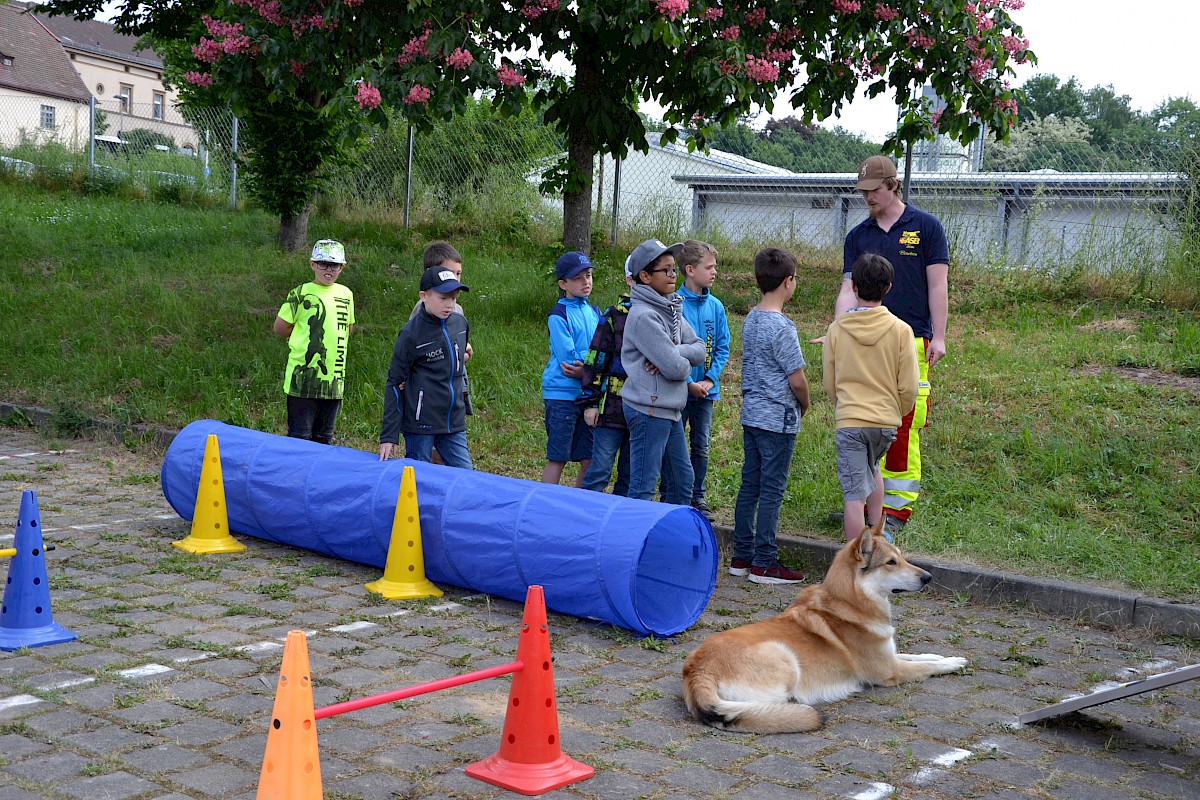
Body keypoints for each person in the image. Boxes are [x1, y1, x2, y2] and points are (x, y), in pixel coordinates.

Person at [836, 154, 949, 536]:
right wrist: (840, 328)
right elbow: (846, 290)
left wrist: (941, 336)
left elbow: (938, 285)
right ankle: (869, 506)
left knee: (904, 422)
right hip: (865, 341)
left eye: (873, 190)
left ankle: (896, 510)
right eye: (862, 191)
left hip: (912, 338)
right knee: (865, 420)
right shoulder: (858, 236)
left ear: (893, 184)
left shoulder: (927, 227)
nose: (867, 197)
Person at [823, 254, 920, 542]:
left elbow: (830, 380)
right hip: (886, 422)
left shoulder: (837, 329)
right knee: (874, 469)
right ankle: (879, 536)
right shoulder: (902, 330)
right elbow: (910, 385)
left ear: (853, 287)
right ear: (889, 288)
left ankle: (858, 556)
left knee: (854, 493)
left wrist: (842, 406)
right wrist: (896, 411)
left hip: (851, 420)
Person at [729, 247, 810, 585]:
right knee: (772, 489)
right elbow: (797, 378)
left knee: (751, 485)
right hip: (778, 418)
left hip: (752, 413)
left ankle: (741, 555)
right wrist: (804, 403)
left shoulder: (752, 319)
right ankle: (764, 561)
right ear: (788, 282)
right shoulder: (783, 328)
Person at [620, 239, 707, 504]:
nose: (673, 275)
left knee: (683, 482)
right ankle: (632, 543)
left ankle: (672, 540)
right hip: (648, 409)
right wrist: (673, 357)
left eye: (674, 269)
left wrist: (672, 350)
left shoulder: (671, 308)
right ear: (645, 277)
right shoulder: (644, 316)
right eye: (666, 270)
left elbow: (700, 349)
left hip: (669, 408)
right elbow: (677, 369)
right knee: (644, 487)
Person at [661, 240, 729, 520]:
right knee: (672, 445)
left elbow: (722, 345)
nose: (714, 272)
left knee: (701, 446)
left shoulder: (716, 306)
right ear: (689, 269)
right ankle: (669, 494)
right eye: (709, 267)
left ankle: (697, 496)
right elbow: (668, 346)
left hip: (706, 394)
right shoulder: (673, 304)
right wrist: (688, 381)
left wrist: (710, 380)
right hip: (679, 391)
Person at [379, 266, 472, 468]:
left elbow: (457, 363)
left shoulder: (460, 323)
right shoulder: (411, 334)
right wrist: (389, 434)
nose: (450, 305)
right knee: (418, 478)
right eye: (443, 298)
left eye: (454, 298)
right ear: (424, 296)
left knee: (466, 476)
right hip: (420, 424)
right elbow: (394, 382)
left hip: (453, 422)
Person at [273, 239, 355, 445]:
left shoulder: (346, 294)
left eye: (334, 265)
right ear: (312, 264)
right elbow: (280, 327)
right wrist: (303, 333)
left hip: (333, 381)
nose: (328, 269)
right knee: (300, 439)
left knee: (323, 439)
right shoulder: (299, 293)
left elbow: (348, 328)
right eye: (323, 264)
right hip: (302, 382)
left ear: (342, 267)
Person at [541, 252, 602, 486]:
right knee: (558, 457)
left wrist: (589, 368)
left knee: (589, 457)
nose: (585, 282)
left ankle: (578, 505)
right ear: (563, 284)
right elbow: (568, 359)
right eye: (577, 278)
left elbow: (602, 349)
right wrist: (593, 366)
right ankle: (545, 506)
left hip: (587, 395)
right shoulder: (558, 314)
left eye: (588, 276)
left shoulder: (595, 312)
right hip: (562, 395)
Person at [411, 241, 473, 463]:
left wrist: (464, 352)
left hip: (454, 387)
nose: (456, 280)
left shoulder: (457, 310)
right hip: (429, 394)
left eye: (459, 274)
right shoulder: (423, 311)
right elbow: (420, 351)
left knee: (448, 445)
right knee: (426, 451)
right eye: (451, 273)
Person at [578, 256, 635, 495]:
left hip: (640, 411)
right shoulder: (614, 316)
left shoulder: (664, 314)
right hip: (610, 409)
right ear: (631, 280)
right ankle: (585, 518)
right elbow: (595, 359)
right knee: (600, 469)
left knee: (630, 474)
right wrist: (590, 402)